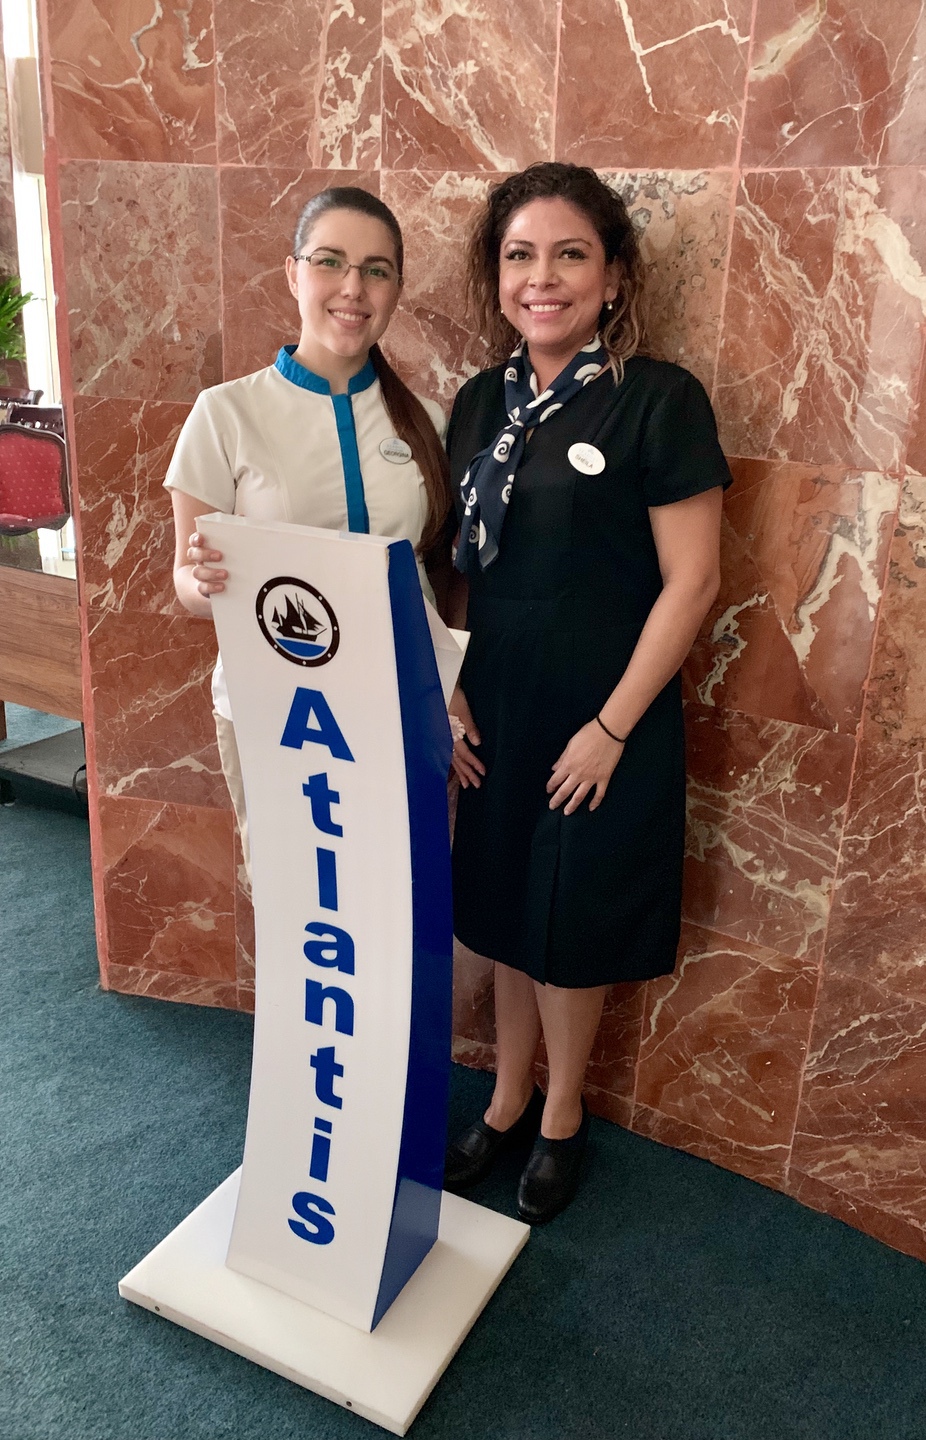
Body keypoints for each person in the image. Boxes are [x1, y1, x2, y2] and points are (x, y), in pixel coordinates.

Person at [444, 162, 732, 1224]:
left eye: (570, 254)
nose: (543, 277)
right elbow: (460, 568)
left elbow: (693, 582)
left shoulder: (658, 399)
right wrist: (449, 691)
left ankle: (562, 1114)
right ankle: (507, 1097)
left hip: (605, 714)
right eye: (520, 255)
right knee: (505, 910)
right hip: (496, 707)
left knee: (569, 924)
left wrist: (611, 729)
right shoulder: (479, 402)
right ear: (497, 276)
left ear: (612, 277)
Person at [166, 187, 453, 860]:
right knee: (301, 894)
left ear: (396, 289)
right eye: (329, 262)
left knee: (394, 892)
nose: (353, 288)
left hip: (400, 701)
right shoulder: (225, 414)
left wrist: (450, 693)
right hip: (279, 709)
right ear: (294, 274)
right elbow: (185, 580)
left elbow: (435, 574)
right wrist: (204, 584)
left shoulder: (428, 421)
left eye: (377, 270)